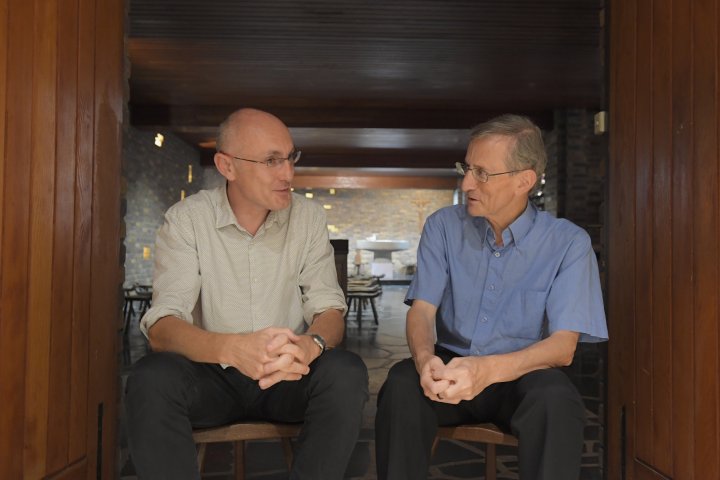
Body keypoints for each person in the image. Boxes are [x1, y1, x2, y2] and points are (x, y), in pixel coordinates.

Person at [126, 108, 369, 480]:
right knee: (151, 378)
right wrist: (231, 349)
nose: (288, 173)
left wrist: (312, 344)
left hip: (287, 376)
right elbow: (162, 327)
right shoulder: (187, 219)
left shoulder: (307, 218)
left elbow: (329, 308)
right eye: (272, 161)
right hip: (211, 377)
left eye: (290, 158)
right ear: (227, 166)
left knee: (346, 372)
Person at [375, 114, 608, 479]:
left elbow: (563, 347)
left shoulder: (568, 243)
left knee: (557, 401)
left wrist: (485, 371)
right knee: (401, 387)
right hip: (449, 365)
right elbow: (421, 310)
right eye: (466, 168)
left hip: (521, 373)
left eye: (482, 173)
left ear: (524, 181)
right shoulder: (443, 226)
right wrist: (424, 361)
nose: (467, 182)